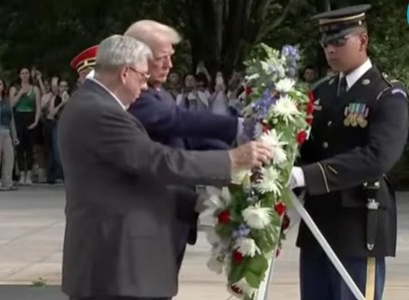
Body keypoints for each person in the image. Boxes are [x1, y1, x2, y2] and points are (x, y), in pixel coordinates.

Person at [58, 34, 274, 300]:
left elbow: (129, 178)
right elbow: (155, 160)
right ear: (125, 73)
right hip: (114, 264)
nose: (144, 87)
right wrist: (232, 160)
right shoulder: (100, 111)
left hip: (118, 262)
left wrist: (194, 202)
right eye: (142, 77)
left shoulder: (95, 104)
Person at [289, 4, 409, 300]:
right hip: (318, 219)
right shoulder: (321, 92)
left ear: (363, 41)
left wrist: (306, 175)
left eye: (339, 41)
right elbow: (310, 146)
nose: (330, 49)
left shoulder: (386, 94)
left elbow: (377, 157)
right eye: (326, 43)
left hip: (358, 223)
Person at [124, 20, 243, 278]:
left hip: (173, 214)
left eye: (171, 57)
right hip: (149, 219)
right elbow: (177, 122)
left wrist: (238, 158)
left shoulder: (160, 94)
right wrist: (238, 130)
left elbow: (189, 140)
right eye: (162, 58)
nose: (169, 65)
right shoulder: (136, 99)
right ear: (137, 58)